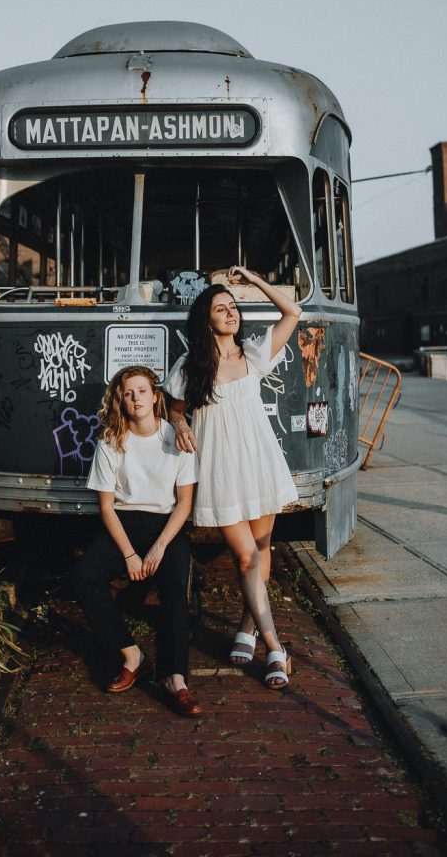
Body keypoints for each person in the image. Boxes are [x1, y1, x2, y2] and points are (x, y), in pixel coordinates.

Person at [163, 266, 302, 689]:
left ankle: (248, 626)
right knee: (246, 558)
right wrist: (180, 424)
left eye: (233, 307)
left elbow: (292, 313)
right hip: (221, 470)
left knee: (261, 548)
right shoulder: (191, 366)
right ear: (206, 319)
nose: (230, 313)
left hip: (259, 462)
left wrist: (256, 282)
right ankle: (276, 648)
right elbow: (174, 408)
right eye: (220, 309)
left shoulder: (254, 353)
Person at [70, 365, 202, 716]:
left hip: (166, 525)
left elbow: (185, 503)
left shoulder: (175, 438)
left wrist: (159, 547)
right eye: (128, 393)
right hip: (125, 525)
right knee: (84, 576)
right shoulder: (111, 441)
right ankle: (131, 654)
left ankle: (175, 677)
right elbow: (107, 507)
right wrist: (129, 555)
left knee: (175, 582)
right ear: (121, 401)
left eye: (142, 391)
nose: (135, 398)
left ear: (155, 396)